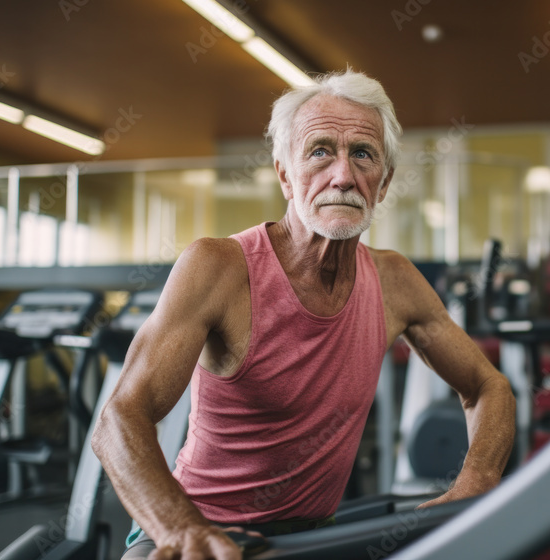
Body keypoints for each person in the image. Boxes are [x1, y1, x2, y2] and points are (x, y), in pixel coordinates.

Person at [92, 70, 517, 560]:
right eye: (319, 151)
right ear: (285, 175)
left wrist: (474, 484)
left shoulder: (395, 281)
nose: (342, 175)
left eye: (363, 154)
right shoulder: (218, 267)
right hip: (196, 530)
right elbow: (119, 418)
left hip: (316, 537)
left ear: (384, 183)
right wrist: (180, 529)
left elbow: (489, 387)